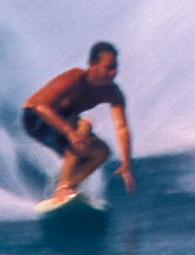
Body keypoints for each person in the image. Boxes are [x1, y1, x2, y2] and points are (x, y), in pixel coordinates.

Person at [22, 41, 135, 206]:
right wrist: (70, 132)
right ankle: (62, 189)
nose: (114, 72)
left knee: (102, 152)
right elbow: (41, 107)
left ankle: (68, 185)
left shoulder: (113, 92)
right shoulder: (75, 78)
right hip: (35, 117)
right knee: (81, 136)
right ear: (93, 64)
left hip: (62, 119)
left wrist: (126, 163)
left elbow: (122, 127)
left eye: (115, 67)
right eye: (109, 67)